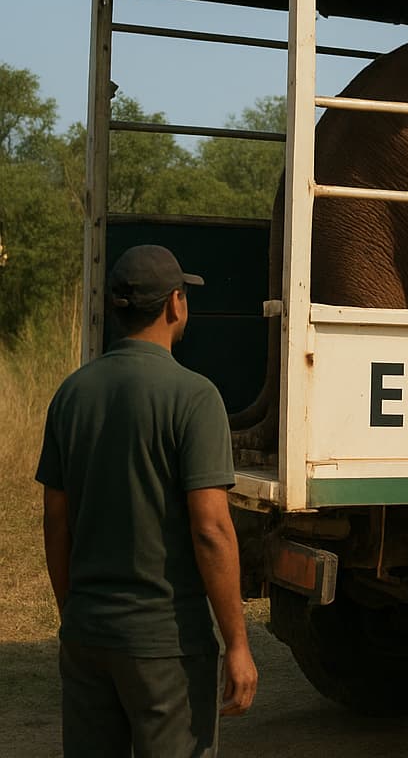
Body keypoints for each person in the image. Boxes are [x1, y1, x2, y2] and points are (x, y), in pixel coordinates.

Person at [36, 244, 257, 756]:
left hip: (87, 636)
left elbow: (55, 520)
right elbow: (211, 529)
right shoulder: (195, 397)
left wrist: (76, 614)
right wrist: (238, 643)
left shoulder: (71, 394)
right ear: (175, 304)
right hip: (165, 648)